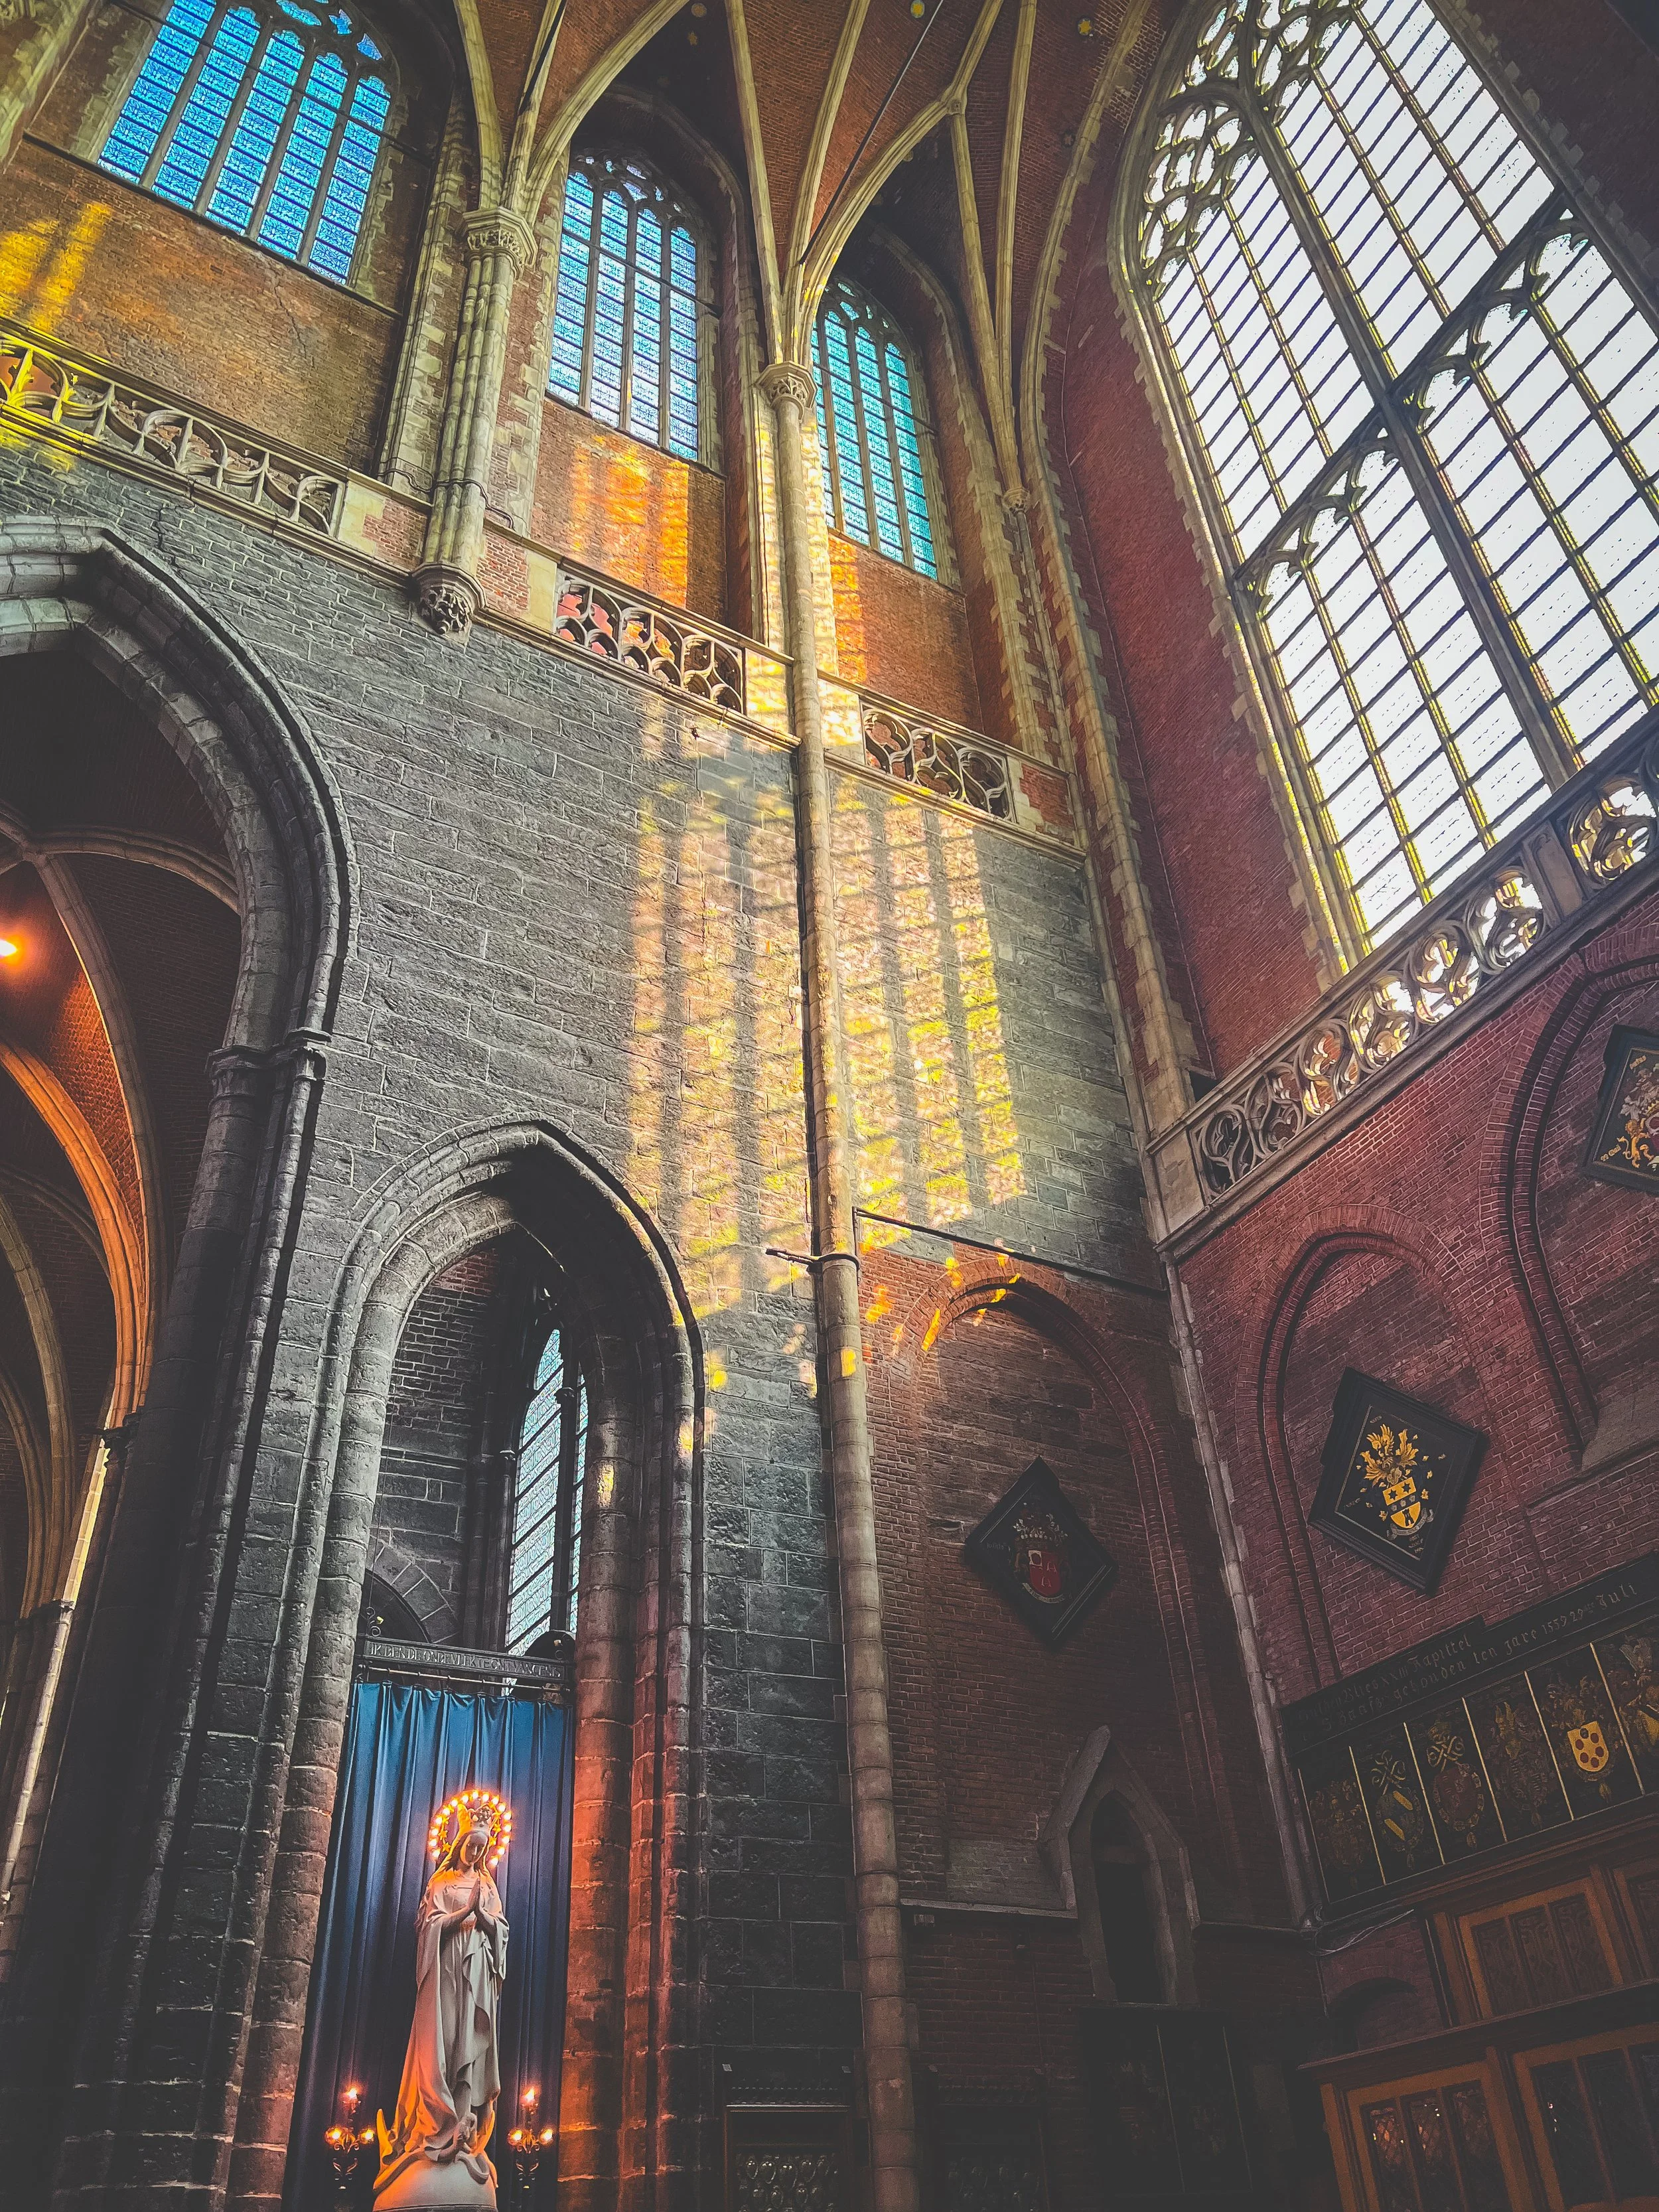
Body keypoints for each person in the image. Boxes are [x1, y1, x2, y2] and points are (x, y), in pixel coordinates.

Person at [375, 1812, 509, 2204]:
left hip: (477, 1973)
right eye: (471, 1845)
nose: (476, 1853)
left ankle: (465, 2127)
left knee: (469, 2045)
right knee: (444, 2041)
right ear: (459, 1843)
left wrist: (483, 1917)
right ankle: (437, 2124)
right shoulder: (440, 1882)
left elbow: (501, 1930)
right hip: (446, 1970)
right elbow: (429, 1926)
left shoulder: (487, 1885)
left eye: (482, 1848)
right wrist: (463, 1914)